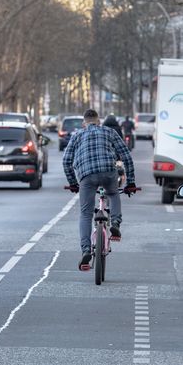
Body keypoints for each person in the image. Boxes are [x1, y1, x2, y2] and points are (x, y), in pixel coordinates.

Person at [63, 109, 137, 270]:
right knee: (113, 194)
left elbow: (66, 160)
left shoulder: (77, 135)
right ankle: (115, 223)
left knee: (85, 213)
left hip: (87, 176)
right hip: (108, 172)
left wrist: (73, 183)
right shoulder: (109, 131)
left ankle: (85, 250)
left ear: (84, 123)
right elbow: (126, 156)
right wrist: (130, 182)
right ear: (98, 121)